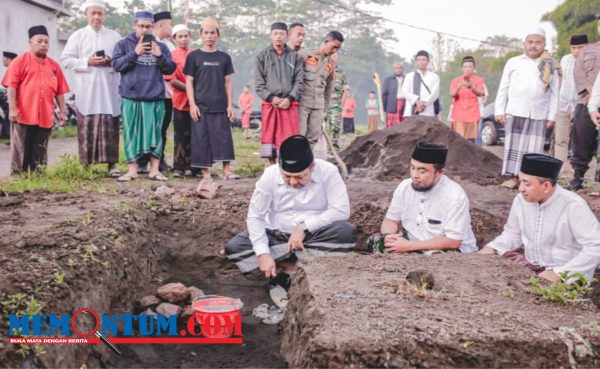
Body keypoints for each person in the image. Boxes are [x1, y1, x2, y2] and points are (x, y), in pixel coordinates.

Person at [225, 135, 356, 289]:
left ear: (312, 167)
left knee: (345, 233)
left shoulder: (328, 172)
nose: (293, 182)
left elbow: (341, 210)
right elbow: (255, 217)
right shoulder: (269, 175)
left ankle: (309, 270)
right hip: (276, 237)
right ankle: (289, 268)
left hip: (313, 236)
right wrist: (263, 254)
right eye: (287, 176)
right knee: (236, 248)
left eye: (300, 177)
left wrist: (304, 227)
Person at [479, 153, 600, 282]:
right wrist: (493, 247)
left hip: (567, 277)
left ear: (546, 186)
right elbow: (513, 233)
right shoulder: (521, 200)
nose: (520, 189)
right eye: (520, 182)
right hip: (531, 269)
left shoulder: (573, 205)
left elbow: (595, 246)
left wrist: (560, 274)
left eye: (527, 184)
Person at [367, 142, 477, 254]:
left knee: (435, 256)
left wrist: (409, 246)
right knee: (375, 241)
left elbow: (453, 241)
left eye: (422, 171)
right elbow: (391, 221)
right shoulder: (404, 187)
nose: (415, 175)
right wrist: (389, 236)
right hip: (412, 242)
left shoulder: (455, 195)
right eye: (412, 168)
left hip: (445, 247)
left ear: (440, 173)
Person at [111, 10, 176, 182]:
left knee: (156, 134)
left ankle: (154, 170)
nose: (144, 30)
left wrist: (160, 56)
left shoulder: (161, 46)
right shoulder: (123, 44)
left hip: (154, 97)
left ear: (153, 27)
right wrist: (135, 52)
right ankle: (132, 170)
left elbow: (170, 69)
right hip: (131, 96)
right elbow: (116, 65)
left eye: (148, 26)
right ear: (135, 26)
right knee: (131, 134)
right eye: (141, 26)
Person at [61, 0, 122, 177]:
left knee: (110, 125)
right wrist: (87, 61)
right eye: (92, 13)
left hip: (109, 89)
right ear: (85, 14)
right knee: (87, 126)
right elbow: (65, 60)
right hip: (87, 90)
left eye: (99, 13)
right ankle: (86, 166)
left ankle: (112, 165)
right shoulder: (78, 35)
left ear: (104, 15)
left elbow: (122, 62)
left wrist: (112, 62)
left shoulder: (114, 36)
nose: (96, 17)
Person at [494, 28, 559, 189]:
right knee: (513, 147)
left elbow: (554, 92)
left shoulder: (550, 64)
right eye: (530, 42)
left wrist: (552, 116)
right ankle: (514, 178)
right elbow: (503, 87)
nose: (533, 46)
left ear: (544, 44)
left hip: (539, 113)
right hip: (516, 111)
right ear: (524, 44)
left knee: (533, 149)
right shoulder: (514, 62)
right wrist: (499, 110)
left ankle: (528, 181)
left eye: (538, 42)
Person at [1, 26, 69, 174]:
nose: (44, 44)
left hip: (45, 115)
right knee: (21, 148)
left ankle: (39, 175)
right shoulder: (19, 61)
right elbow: (11, 87)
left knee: (40, 147)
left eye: (46, 41)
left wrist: (63, 112)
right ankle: (19, 176)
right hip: (23, 114)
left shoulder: (54, 66)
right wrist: (12, 109)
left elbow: (60, 91)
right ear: (30, 41)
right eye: (39, 41)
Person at [184, 17, 239, 186]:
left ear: (218, 36)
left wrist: (230, 104)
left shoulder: (224, 57)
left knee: (223, 138)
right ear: (201, 35)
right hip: (200, 106)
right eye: (206, 33)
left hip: (220, 105)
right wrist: (192, 104)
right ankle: (206, 173)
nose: (209, 36)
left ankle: (226, 170)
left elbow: (228, 82)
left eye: (213, 33)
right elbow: (189, 82)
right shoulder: (194, 56)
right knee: (201, 139)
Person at [255, 22, 304, 164]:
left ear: (287, 35)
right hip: (270, 104)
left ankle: (288, 166)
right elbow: (259, 83)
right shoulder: (262, 56)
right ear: (270, 35)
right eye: (275, 34)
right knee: (270, 137)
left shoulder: (295, 57)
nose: (278, 37)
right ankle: (272, 168)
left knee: (290, 138)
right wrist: (271, 98)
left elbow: (299, 82)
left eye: (282, 34)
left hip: (289, 104)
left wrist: (290, 98)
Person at [137, 10, 175, 174]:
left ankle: (158, 159)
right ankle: (142, 160)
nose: (171, 28)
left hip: (166, 94)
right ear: (159, 25)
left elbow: (171, 68)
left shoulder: (168, 45)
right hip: (147, 93)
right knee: (145, 128)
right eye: (170, 24)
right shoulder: (143, 43)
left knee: (161, 129)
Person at [298, 31, 344, 146]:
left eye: (337, 49)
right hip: (302, 104)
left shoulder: (331, 64)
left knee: (313, 137)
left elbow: (328, 89)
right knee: (299, 136)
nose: (334, 51)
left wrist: (325, 109)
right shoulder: (305, 55)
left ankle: (308, 162)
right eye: (333, 47)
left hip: (318, 106)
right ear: (326, 41)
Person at [570, 20, 600, 191]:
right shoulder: (588, 50)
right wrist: (590, 94)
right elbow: (578, 72)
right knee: (581, 139)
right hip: (586, 101)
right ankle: (577, 178)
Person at [554, 35, 588, 177]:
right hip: (563, 104)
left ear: (586, 46)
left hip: (581, 104)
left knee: (579, 139)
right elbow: (560, 80)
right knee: (560, 138)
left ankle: (576, 169)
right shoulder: (565, 59)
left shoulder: (590, 60)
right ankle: (560, 168)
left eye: (580, 47)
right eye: (573, 48)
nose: (576, 51)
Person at [165, 24, 193, 178]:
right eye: (180, 36)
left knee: (196, 135)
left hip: (196, 102)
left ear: (190, 37)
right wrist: (190, 89)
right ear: (174, 39)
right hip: (180, 101)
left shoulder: (196, 54)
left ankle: (193, 166)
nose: (183, 39)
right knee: (180, 135)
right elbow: (172, 80)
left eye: (186, 36)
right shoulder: (171, 55)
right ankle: (178, 167)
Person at [449, 56, 485, 143]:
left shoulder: (479, 80)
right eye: (465, 67)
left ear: (474, 68)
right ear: (462, 68)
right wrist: (458, 88)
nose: (468, 69)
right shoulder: (455, 81)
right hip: (459, 115)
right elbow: (451, 95)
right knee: (459, 141)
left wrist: (472, 87)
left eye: (470, 66)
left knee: (471, 142)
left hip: (472, 115)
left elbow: (481, 93)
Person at [402, 50, 440, 118]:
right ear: (416, 62)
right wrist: (417, 101)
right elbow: (404, 92)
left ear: (428, 61)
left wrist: (424, 104)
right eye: (419, 60)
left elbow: (435, 93)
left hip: (428, 112)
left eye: (423, 59)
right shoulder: (409, 76)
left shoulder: (434, 76)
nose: (421, 62)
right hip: (411, 112)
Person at [325, 53, 348, 149]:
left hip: (336, 105)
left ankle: (334, 148)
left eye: (335, 56)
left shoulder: (341, 73)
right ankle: (321, 147)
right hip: (323, 105)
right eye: (332, 56)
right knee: (320, 128)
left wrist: (341, 105)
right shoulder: (323, 70)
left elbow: (346, 91)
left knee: (335, 127)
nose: (333, 58)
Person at [382, 62, 405, 127]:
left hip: (404, 103)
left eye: (399, 68)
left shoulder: (406, 79)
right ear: (393, 69)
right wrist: (384, 107)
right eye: (396, 68)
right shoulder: (388, 80)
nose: (398, 70)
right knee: (391, 124)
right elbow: (384, 94)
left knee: (403, 122)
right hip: (392, 104)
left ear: (402, 69)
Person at [1, 51, 17, 139]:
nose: (2, 61)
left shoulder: (13, 68)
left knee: (9, 119)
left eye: (4, 59)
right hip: (12, 99)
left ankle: (11, 137)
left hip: (13, 100)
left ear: (8, 59)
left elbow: (10, 86)